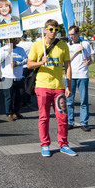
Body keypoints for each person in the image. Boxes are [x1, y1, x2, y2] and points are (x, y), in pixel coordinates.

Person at [27, 19, 76, 157]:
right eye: (50, 29)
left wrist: (69, 86)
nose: (53, 32)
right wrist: (40, 62)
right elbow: (29, 64)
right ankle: (45, 144)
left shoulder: (63, 46)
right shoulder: (37, 45)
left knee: (63, 117)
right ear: (45, 30)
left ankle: (64, 144)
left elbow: (68, 67)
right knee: (44, 117)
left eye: (55, 30)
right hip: (42, 86)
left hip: (58, 87)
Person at [67, 26, 94, 132]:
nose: (71, 37)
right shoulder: (67, 45)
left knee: (84, 100)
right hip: (70, 75)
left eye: (73, 34)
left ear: (78, 33)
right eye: (69, 35)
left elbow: (90, 59)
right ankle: (70, 122)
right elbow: (66, 60)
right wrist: (75, 51)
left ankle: (84, 123)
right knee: (69, 101)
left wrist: (88, 63)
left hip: (82, 75)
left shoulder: (85, 44)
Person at [0, 37, 28, 121]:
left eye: (14, 39)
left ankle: (16, 111)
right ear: (7, 41)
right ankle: (9, 113)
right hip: (7, 77)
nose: (13, 41)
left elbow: (26, 59)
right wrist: (7, 52)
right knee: (9, 97)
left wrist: (18, 63)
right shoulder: (2, 49)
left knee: (20, 95)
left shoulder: (21, 49)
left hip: (19, 77)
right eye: (11, 40)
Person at [17, 35, 35, 108]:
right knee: (29, 85)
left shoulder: (18, 46)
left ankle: (23, 102)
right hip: (30, 66)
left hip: (22, 67)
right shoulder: (31, 43)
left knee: (23, 86)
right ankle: (28, 101)